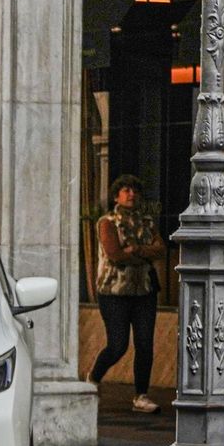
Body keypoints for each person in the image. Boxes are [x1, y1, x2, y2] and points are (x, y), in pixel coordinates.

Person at [89, 173, 166, 413]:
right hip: (114, 291)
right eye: (125, 190)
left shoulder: (147, 221)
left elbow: (161, 249)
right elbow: (114, 254)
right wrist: (143, 253)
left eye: (134, 190)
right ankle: (93, 377)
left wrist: (135, 249)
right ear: (116, 196)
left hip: (144, 290)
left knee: (144, 343)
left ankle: (141, 395)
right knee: (118, 344)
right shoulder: (107, 222)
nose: (131, 194)